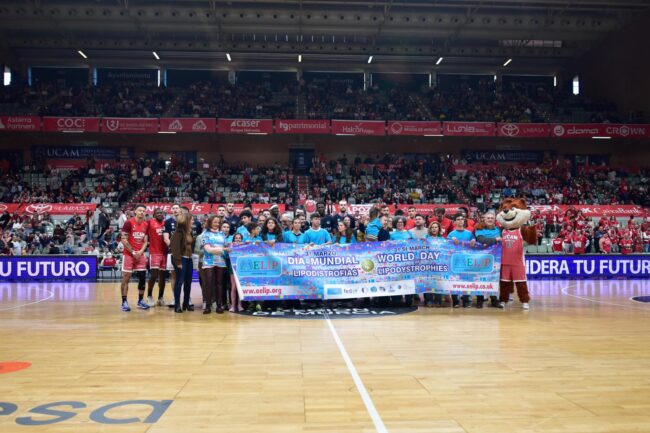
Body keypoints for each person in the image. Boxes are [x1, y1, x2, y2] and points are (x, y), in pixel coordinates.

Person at [119, 204, 150, 312]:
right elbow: (123, 239)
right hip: (129, 254)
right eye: (140, 210)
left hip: (140, 254)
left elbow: (145, 241)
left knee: (142, 278)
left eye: (143, 211)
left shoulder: (146, 224)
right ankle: (124, 302)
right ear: (135, 211)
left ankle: (140, 301)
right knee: (126, 278)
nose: (142, 212)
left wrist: (140, 252)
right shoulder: (128, 223)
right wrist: (133, 252)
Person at [447, 212, 476, 308]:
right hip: (454, 261)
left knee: (466, 280)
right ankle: (455, 301)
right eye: (458, 219)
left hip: (466, 260)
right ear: (454, 222)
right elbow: (445, 247)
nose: (460, 221)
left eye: (462, 219)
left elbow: (474, 244)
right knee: (454, 280)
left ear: (464, 221)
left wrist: (474, 240)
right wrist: (450, 240)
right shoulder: (451, 234)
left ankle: (466, 300)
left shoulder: (469, 233)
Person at [474, 211, 502, 308]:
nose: (490, 219)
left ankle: (494, 300)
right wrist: (495, 240)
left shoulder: (498, 229)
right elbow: (481, 240)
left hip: (495, 259)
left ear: (494, 220)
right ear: (484, 219)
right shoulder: (479, 229)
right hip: (481, 258)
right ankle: (479, 300)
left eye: (491, 218)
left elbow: (487, 241)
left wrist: (489, 241)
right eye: (488, 218)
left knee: (494, 278)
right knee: (479, 279)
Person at [202, 215, 227, 314]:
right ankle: (208, 306)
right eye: (215, 222)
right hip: (209, 261)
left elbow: (225, 247)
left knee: (219, 284)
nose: (217, 224)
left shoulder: (222, 234)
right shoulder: (206, 234)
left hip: (220, 261)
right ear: (210, 223)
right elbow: (208, 249)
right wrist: (221, 249)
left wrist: (221, 249)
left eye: (218, 222)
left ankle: (219, 306)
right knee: (209, 283)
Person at [170, 210, 194, 313]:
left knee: (188, 282)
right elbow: (175, 249)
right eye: (191, 220)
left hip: (189, 258)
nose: (193, 221)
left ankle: (186, 303)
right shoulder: (178, 233)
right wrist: (178, 262)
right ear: (186, 221)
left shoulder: (189, 232)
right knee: (179, 282)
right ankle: (177, 305)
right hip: (180, 259)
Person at [146, 208, 167, 306]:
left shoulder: (166, 223)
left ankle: (160, 298)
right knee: (154, 275)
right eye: (157, 213)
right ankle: (149, 296)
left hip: (165, 253)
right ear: (154, 214)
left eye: (161, 213)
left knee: (163, 277)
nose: (160, 214)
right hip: (154, 252)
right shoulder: (150, 222)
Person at [163, 204, 181, 307]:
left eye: (177, 208)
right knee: (174, 275)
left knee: (184, 276)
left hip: (184, 252)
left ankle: (187, 298)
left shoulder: (184, 220)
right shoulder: (168, 222)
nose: (175, 210)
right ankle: (175, 298)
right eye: (173, 208)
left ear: (180, 210)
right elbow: (166, 238)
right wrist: (174, 247)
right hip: (172, 252)